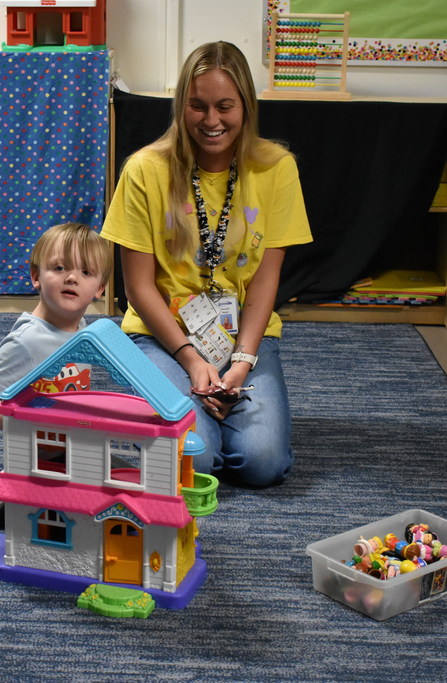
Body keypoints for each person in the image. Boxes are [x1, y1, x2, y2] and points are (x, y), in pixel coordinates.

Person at [101, 41, 313, 488]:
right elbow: (138, 288)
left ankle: (185, 417)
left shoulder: (278, 168)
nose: (212, 121)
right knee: (195, 463)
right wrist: (192, 361)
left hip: (242, 340)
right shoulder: (143, 170)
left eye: (225, 106)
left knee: (264, 464)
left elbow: (265, 280)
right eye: (197, 106)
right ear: (182, 107)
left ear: (246, 107)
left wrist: (240, 363)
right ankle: (181, 412)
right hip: (161, 337)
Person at [0, 222, 112, 430]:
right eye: (60, 268)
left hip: (73, 440)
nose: (72, 278)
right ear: (37, 277)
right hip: (38, 454)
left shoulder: (82, 329)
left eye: (86, 272)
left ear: (99, 289)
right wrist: (32, 429)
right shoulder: (27, 340)